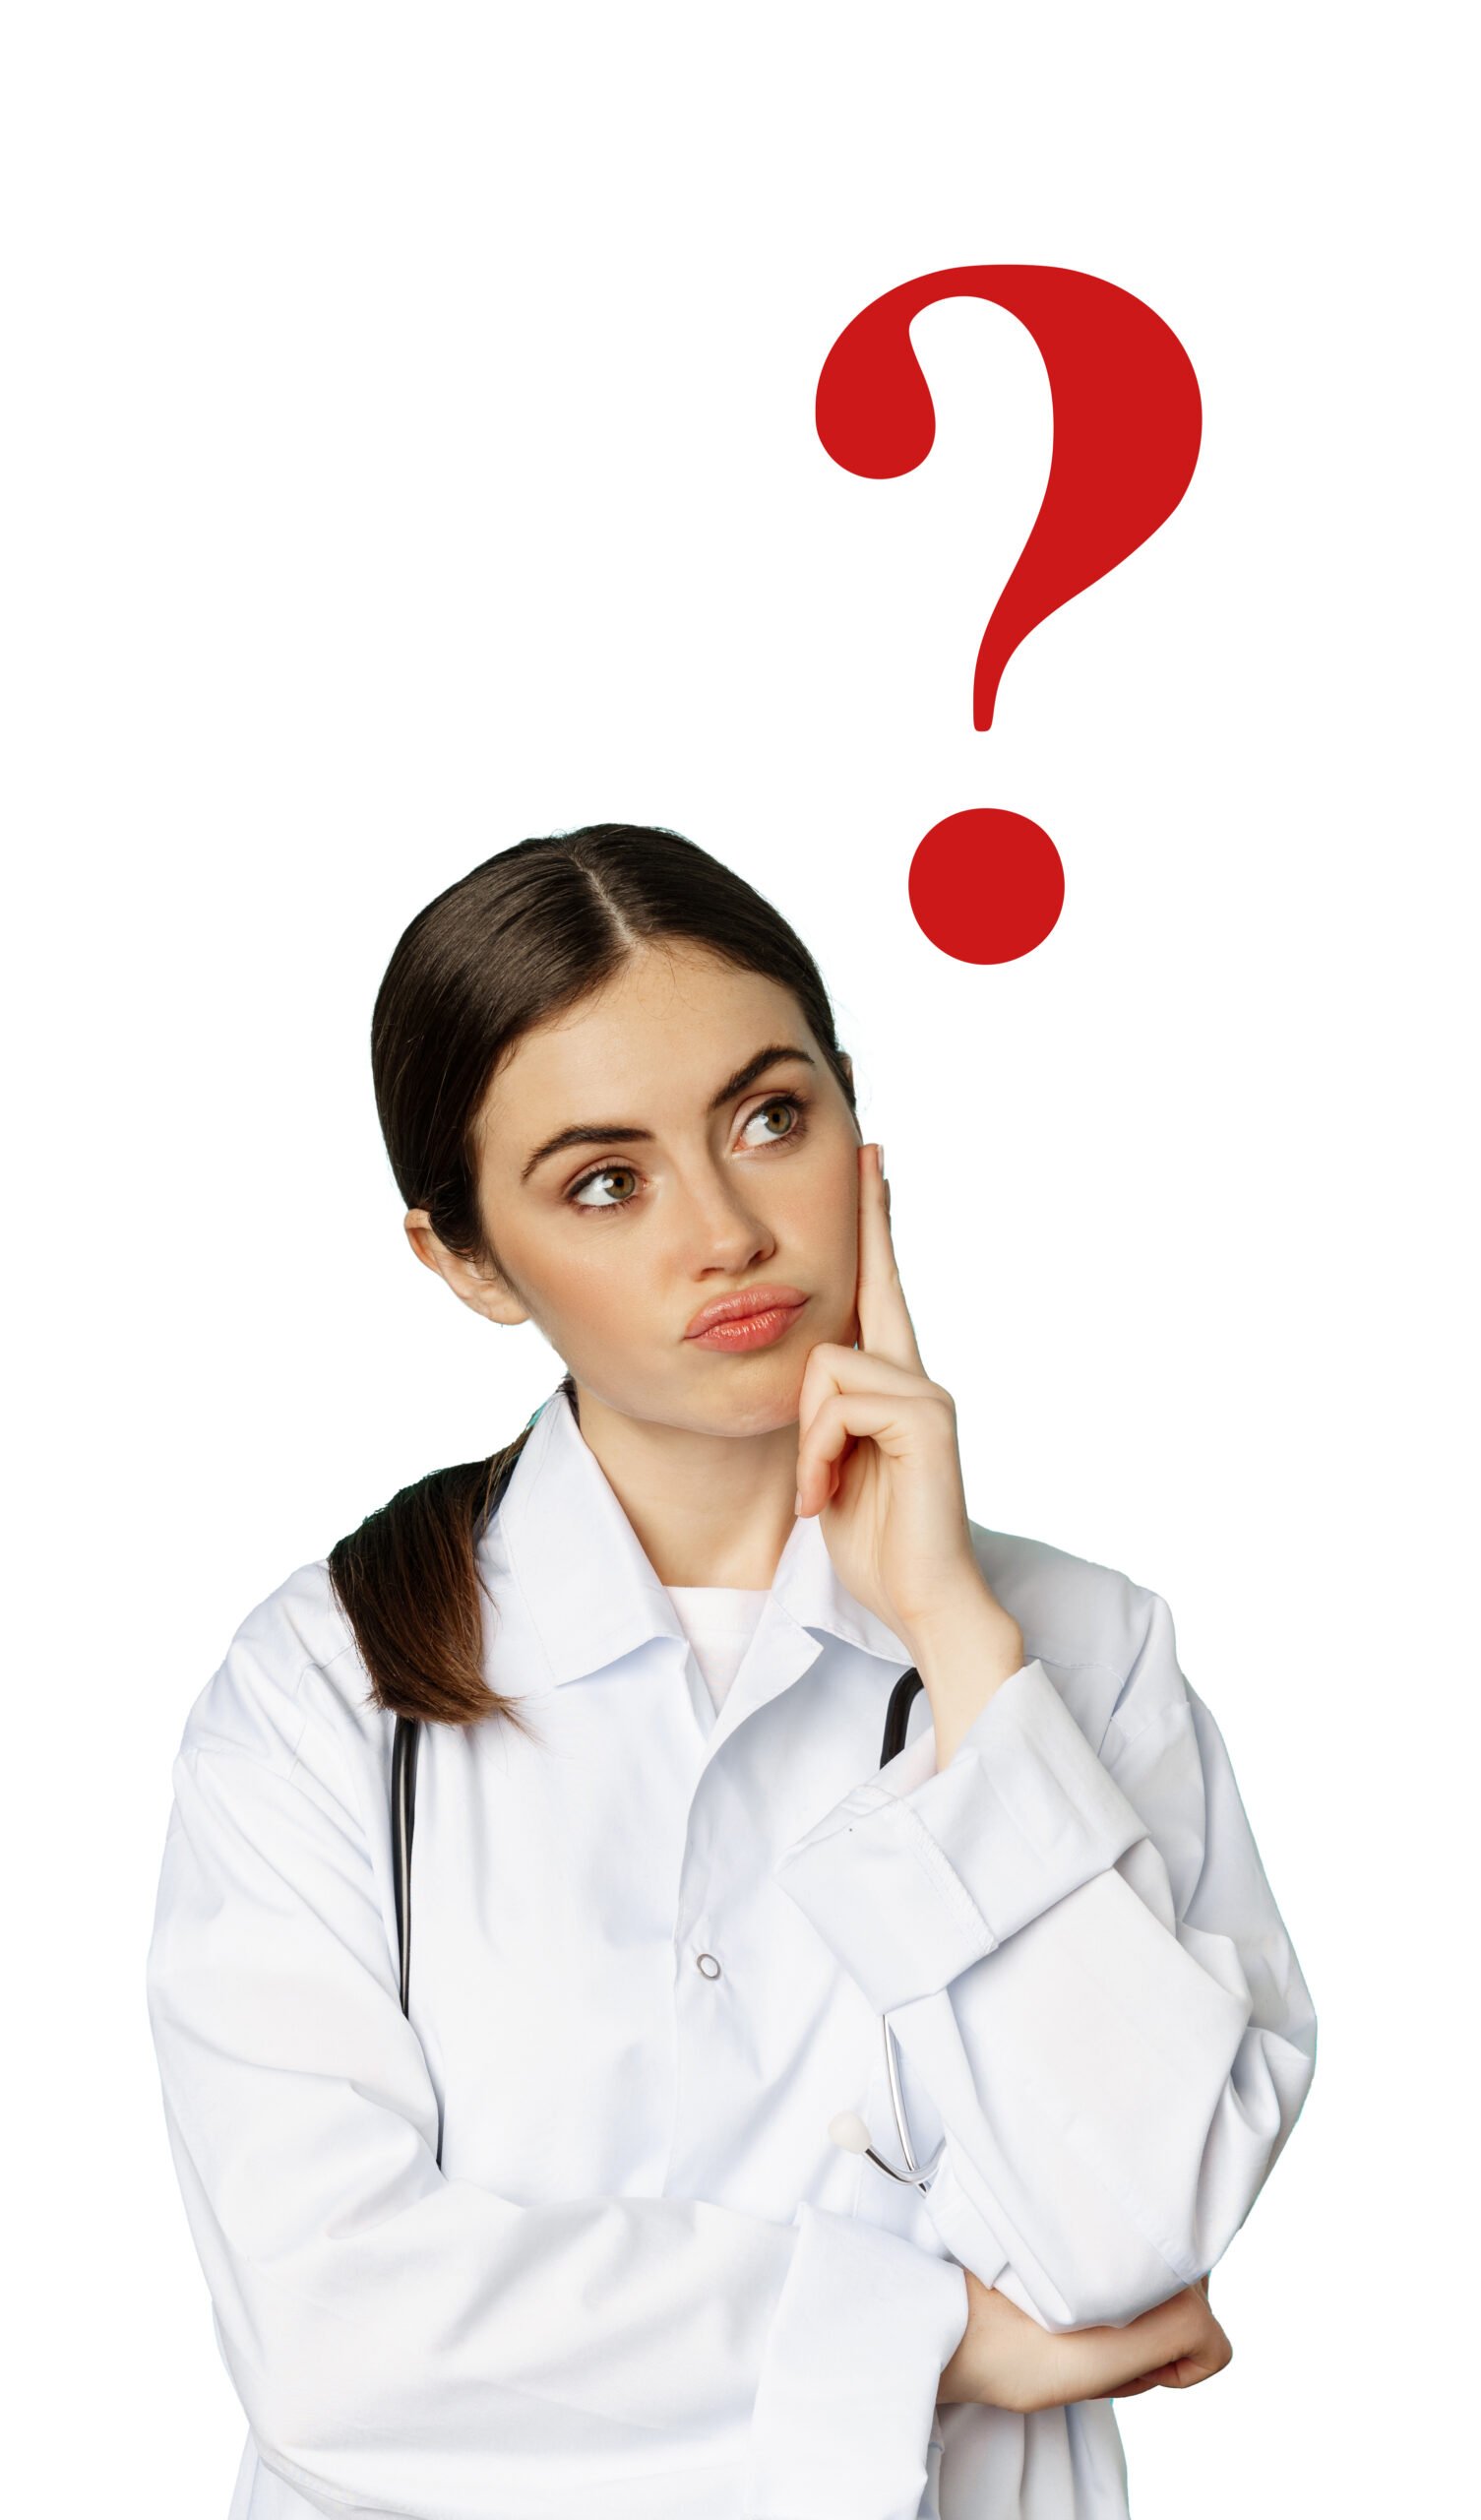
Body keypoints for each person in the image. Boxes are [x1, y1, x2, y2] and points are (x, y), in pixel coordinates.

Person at [145, 822, 1318, 2520]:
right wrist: (936, 2341)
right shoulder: (322, 1696)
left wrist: (954, 1635)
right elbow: (332, 2340)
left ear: (862, 1131)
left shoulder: (1070, 1655)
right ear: (463, 1257)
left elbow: (1138, 2230)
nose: (726, 1233)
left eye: (771, 1119)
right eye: (602, 1181)